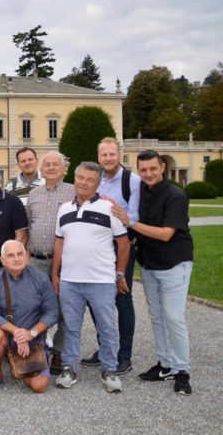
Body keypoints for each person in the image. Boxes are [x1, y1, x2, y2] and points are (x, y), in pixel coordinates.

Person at [111, 150, 194, 395]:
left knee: (174, 318)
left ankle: (182, 371)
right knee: (157, 317)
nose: (148, 174)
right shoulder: (143, 192)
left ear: (162, 168)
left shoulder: (175, 195)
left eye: (152, 169)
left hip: (174, 262)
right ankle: (165, 364)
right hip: (149, 263)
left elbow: (167, 233)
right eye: (143, 170)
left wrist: (130, 223)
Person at [51, 162, 130, 393]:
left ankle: (109, 369)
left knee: (106, 327)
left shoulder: (109, 208)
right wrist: (55, 273)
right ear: (75, 180)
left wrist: (120, 273)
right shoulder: (64, 209)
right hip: (70, 280)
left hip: (101, 281)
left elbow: (123, 243)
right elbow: (59, 242)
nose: (83, 182)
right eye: (80, 178)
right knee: (71, 327)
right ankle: (69, 367)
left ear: (98, 184)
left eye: (89, 179)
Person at [80, 137, 141, 374]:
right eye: (103, 155)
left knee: (122, 298)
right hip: (97, 246)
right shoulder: (96, 179)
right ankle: (106, 348)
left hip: (121, 245)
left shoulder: (131, 181)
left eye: (111, 154)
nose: (108, 159)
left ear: (119, 154)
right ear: (98, 157)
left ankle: (124, 355)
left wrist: (112, 206)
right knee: (95, 299)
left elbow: (132, 216)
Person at [0, 240, 58, 393]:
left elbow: (52, 312)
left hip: (33, 338)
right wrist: (17, 332)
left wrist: (31, 334)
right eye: (10, 255)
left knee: (39, 386)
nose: (16, 259)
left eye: (20, 254)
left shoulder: (41, 279)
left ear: (27, 256)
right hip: (7, 337)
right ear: (3, 260)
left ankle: (27, 359)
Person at [25, 150, 75, 374]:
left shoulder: (74, 192)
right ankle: (38, 348)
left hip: (64, 262)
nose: (52, 168)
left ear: (65, 169)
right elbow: (28, 226)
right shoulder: (34, 194)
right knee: (33, 306)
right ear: (41, 169)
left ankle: (60, 353)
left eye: (56, 164)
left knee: (65, 307)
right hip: (36, 260)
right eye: (48, 165)